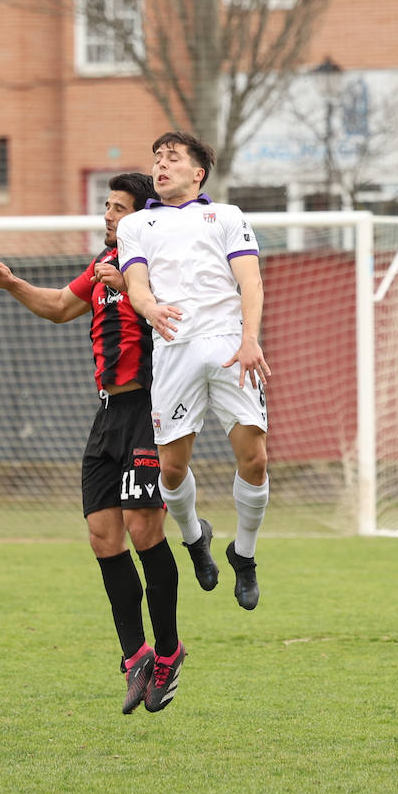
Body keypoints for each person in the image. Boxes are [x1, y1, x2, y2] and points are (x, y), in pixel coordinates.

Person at [0, 172, 198, 715]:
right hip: (106, 418)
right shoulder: (98, 273)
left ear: (144, 219)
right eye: (106, 206)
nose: (106, 216)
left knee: (144, 530)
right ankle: (136, 656)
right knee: (103, 536)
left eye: (117, 208)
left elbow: (185, 320)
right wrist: (11, 283)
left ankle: (169, 652)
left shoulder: (160, 271)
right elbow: (57, 305)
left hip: (148, 410)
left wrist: (129, 286)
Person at [118, 130, 271, 612]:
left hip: (230, 345)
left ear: (197, 172)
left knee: (256, 459)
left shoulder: (226, 216)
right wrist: (150, 309)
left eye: (173, 158)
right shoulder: (136, 225)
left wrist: (250, 339)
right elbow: (137, 285)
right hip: (175, 350)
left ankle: (243, 555)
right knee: (172, 467)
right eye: (157, 157)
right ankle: (193, 536)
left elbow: (251, 281)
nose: (161, 165)